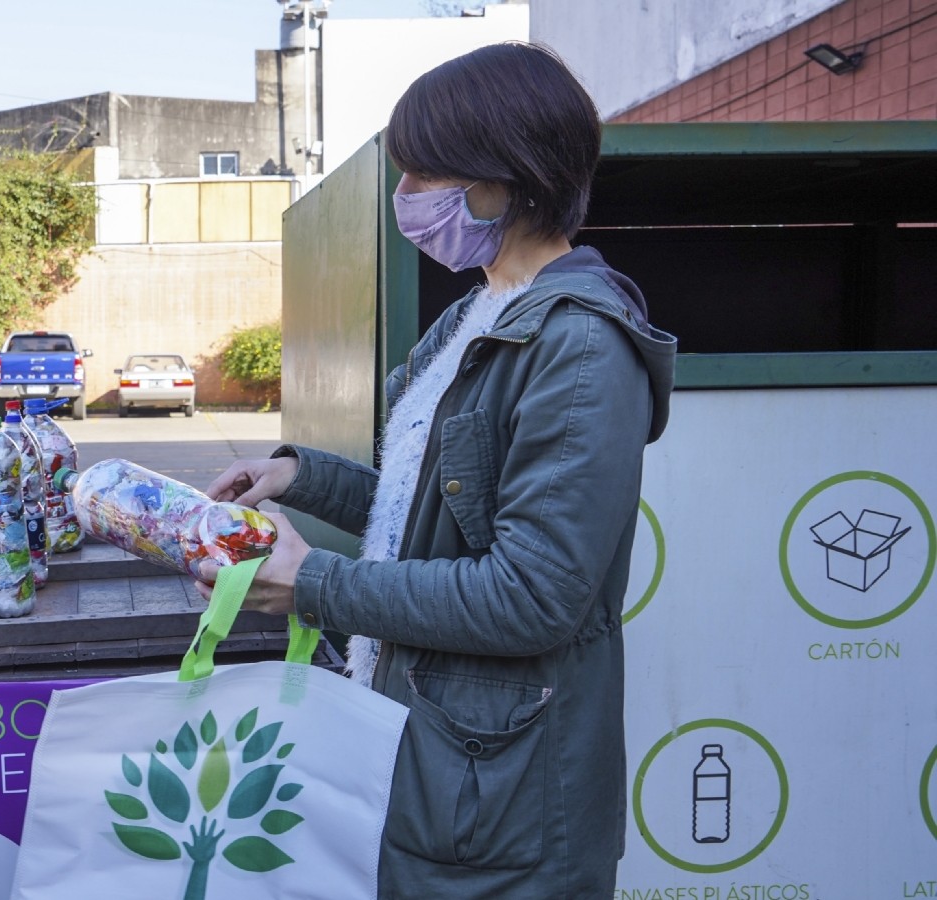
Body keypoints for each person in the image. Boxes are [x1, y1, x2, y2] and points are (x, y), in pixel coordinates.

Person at [202, 44, 677, 897]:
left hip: (505, 798)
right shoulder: (480, 310)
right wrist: (295, 476)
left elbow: (533, 596)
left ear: (512, 175)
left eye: (428, 173)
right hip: (437, 758)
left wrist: (316, 584)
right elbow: (418, 506)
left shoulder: (579, 345)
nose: (407, 198)